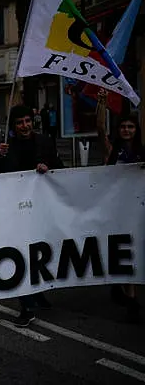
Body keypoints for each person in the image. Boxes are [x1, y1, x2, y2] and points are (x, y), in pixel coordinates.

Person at [0, 105, 63, 327]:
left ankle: (38, 291)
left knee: (39, 251)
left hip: (41, 208)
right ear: (13, 127)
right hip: (16, 210)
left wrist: (48, 167)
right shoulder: (7, 147)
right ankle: (27, 305)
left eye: (27, 121)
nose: (24, 126)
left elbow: (61, 169)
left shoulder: (44, 141)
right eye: (19, 122)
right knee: (20, 253)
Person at [97, 89, 144, 323]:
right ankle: (126, 293)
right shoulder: (113, 150)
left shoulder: (141, 153)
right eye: (123, 126)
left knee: (133, 252)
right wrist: (102, 104)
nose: (126, 130)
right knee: (122, 251)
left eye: (131, 127)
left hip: (137, 210)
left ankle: (130, 297)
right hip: (116, 209)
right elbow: (99, 130)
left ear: (136, 130)